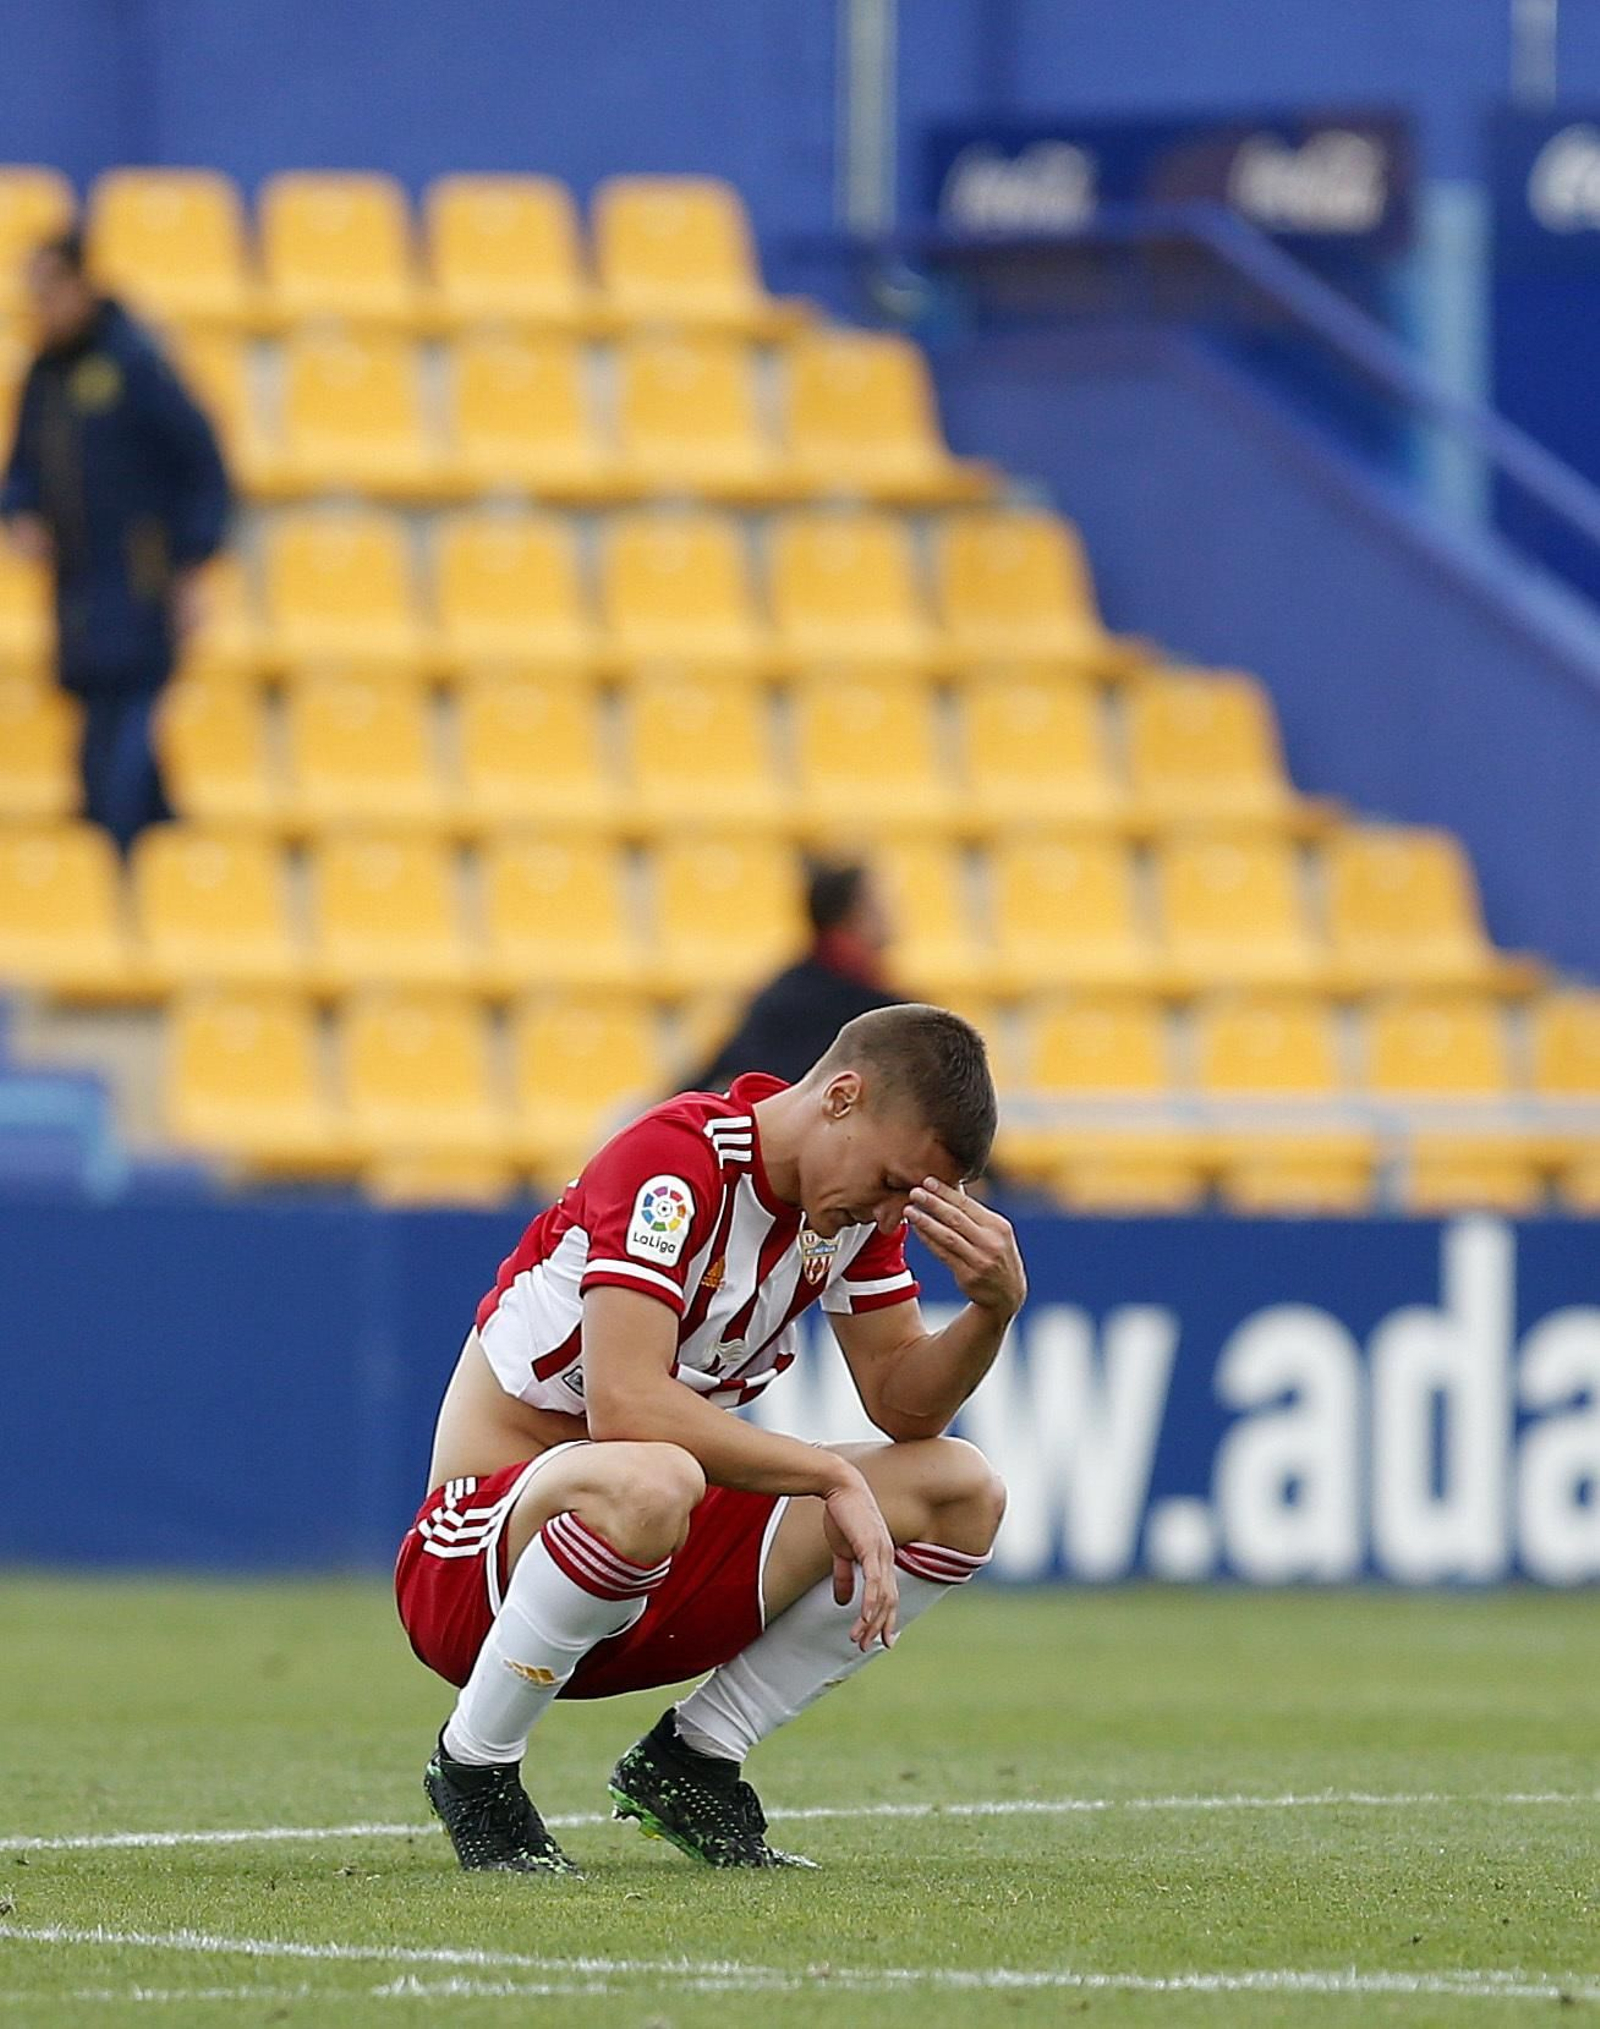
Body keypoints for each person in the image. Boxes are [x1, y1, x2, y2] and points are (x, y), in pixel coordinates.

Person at [395, 1004, 1025, 1873]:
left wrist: (992, 1311)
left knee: (962, 1491)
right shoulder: (678, 1160)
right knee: (651, 1477)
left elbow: (905, 1409)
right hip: (476, 1568)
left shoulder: (839, 1220)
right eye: (889, 1184)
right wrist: (825, 1476)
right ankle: (474, 1767)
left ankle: (693, 1758)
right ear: (843, 1096)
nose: (890, 1220)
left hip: (640, 1561)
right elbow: (624, 1403)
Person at [1, 228, 231, 852]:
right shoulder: (45, 376)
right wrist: (19, 512)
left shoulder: (137, 364)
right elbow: (20, 469)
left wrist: (194, 563)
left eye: (48, 293)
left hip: (139, 581)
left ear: (80, 285)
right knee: (103, 729)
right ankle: (154, 854)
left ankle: (114, 860)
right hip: (76, 588)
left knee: (119, 738)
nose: (39, 309)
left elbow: (203, 466)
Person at [686, 859, 903, 1092]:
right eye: (882, 901)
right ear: (856, 913)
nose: (895, 912)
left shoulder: (811, 985)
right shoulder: (798, 1001)